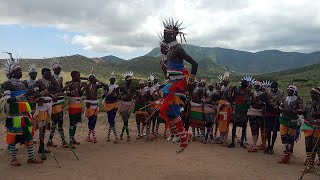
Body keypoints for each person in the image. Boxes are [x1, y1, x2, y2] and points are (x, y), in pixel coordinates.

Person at [159, 19, 198, 154]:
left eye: (165, 33)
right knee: (168, 110)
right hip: (171, 83)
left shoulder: (178, 49)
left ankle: (183, 137)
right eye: (163, 33)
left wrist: (191, 82)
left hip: (178, 84)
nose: (163, 35)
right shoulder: (170, 50)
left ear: (172, 35)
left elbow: (195, 64)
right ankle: (179, 134)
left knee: (173, 110)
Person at [1, 52, 42, 166]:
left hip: (25, 115)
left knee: (29, 135)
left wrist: (32, 96)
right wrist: (21, 96)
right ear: (13, 72)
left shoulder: (23, 84)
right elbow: (7, 100)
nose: (21, 72)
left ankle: (31, 157)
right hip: (14, 116)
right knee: (13, 137)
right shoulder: (7, 84)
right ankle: (13, 159)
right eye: (18, 70)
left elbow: (26, 99)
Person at [278, 85, 304, 164]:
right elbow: (281, 108)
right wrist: (280, 107)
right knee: (283, 138)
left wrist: (297, 111)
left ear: (295, 92)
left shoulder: (299, 100)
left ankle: (287, 156)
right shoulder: (284, 99)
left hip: (293, 122)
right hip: (283, 120)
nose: (289, 91)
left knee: (290, 139)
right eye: (288, 90)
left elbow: (301, 110)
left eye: (291, 90)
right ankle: (285, 156)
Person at [300, 87, 320, 173]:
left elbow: (317, 115)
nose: (312, 95)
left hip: (318, 127)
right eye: (311, 93)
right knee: (308, 145)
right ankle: (310, 165)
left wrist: (316, 112)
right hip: (308, 125)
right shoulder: (308, 102)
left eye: (314, 93)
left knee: (316, 145)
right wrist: (300, 109)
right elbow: (304, 112)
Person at [228, 78, 251, 149]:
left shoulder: (238, 90)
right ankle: (239, 143)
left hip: (240, 110)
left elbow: (232, 98)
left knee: (236, 126)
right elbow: (248, 101)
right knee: (242, 126)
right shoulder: (245, 91)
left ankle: (234, 142)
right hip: (242, 110)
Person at [65, 71, 86, 148]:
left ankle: (73, 138)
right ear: (73, 76)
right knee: (72, 122)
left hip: (78, 105)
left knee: (75, 123)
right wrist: (72, 92)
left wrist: (82, 89)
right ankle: (70, 141)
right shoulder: (68, 83)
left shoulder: (80, 84)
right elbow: (68, 94)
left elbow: (80, 94)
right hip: (72, 106)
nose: (79, 76)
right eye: (78, 75)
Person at [263, 81, 284, 154]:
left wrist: (278, 106)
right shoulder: (267, 90)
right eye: (272, 88)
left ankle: (272, 146)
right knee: (268, 130)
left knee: (274, 130)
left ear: (277, 88)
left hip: (276, 113)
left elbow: (282, 102)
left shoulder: (281, 92)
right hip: (268, 112)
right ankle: (268, 145)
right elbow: (264, 99)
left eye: (274, 89)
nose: (273, 90)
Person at [84, 73, 104, 143]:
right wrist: (87, 79)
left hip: (95, 104)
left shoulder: (96, 85)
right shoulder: (86, 85)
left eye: (93, 78)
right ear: (89, 79)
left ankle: (89, 136)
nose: (92, 79)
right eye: (91, 78)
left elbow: (104, 85)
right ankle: (93, 137)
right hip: (88, 103)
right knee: (91, 120)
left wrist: (97, 80)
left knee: (94, 120)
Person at [247, 81, 266, 152]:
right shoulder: (254, 94)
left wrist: (258, 102)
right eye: (255, 86)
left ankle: (259, 145)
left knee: (259, 129)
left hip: (258, 113)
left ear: (260, 87)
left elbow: (264, 104)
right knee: (257, 129)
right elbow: (250, 103)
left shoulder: (263, 94)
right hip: (255, 113)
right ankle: (258, 145)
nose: (256, 87)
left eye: (257, 86)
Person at [118, 71, 136, 142]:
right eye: (130, 80)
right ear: (126, 80)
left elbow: (134, 95)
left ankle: (122, 134)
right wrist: (122, 96)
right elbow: (119, 96)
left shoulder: (132, 87)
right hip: (123, 105)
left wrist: (134, 97)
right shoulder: (122, 88)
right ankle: (128, 135)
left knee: (126, 121)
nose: (131, 81)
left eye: (131, 80)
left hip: (130, 105)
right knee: (125, 121)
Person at [103, 72, 120, 143]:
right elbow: (103, 96)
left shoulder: (116, 87)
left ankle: (110, 136)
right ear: (109, 80)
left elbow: (118, 96)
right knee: (111, 120)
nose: (113, 80)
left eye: (114, 79)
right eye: (111, 79)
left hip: (114, 104)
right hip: (108, 104)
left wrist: (116, 95)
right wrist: (106, 93)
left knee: (111, 120)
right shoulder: (107, 86)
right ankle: (114, 137)